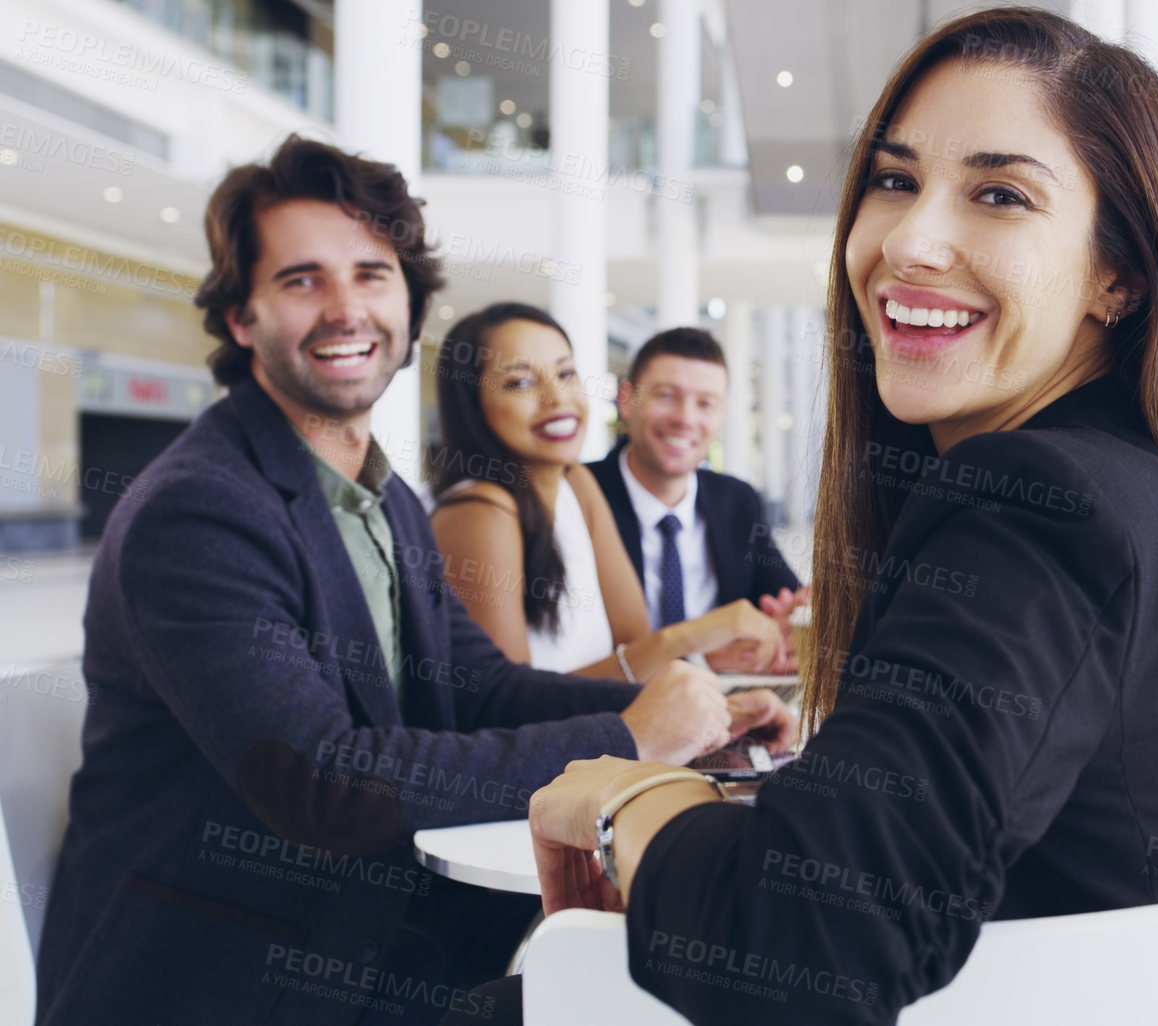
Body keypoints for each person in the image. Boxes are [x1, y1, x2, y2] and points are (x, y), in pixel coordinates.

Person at [458, 8, 1158, 1025]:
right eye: (894, 180)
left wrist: (631, 801)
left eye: (1000, 195)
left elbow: (807, 940)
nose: (911, 241)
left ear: (1120, 274)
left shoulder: (1038, 498)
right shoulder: (1132, 480)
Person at [32, 136, 788, 1026]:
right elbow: (321, 782)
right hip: (233, 972)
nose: (345, 309)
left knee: (664, 969)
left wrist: (696, 721)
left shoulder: (379, 497)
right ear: (242, 319)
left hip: (373, 933)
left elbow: (481, 688)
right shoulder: (198, 512)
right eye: (301, 280)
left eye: (371, 274)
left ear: (410, 304)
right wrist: (626, 737)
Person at [428, 303, 788, 680]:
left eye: (565, 373)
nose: (558, 398)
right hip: (573, 737)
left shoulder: (576, 483)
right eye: (520, 382)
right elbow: (510, 704)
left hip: (616, 726)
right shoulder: (480, 511)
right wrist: (689, 638)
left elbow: (635, 649)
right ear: (473, 404)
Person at [587, 328, 804, 664]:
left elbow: (783, 600)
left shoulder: (737, 500)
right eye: (666, 396)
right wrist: (702, 657)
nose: (685, 419)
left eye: (705, 403)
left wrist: (796, 613)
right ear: (627, 399)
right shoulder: (580, 495)